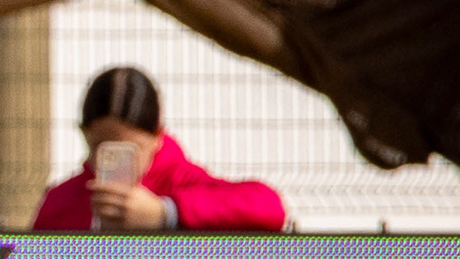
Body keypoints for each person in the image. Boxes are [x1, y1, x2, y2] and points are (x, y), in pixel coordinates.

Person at [30, 65, 289, 233]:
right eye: (102, 147)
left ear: (158, 136)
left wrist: (165, 213)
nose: (115, 160)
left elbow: (269, 207)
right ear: (84, 134)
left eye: (131, 149)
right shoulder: (61, 200)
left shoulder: (181, 182)